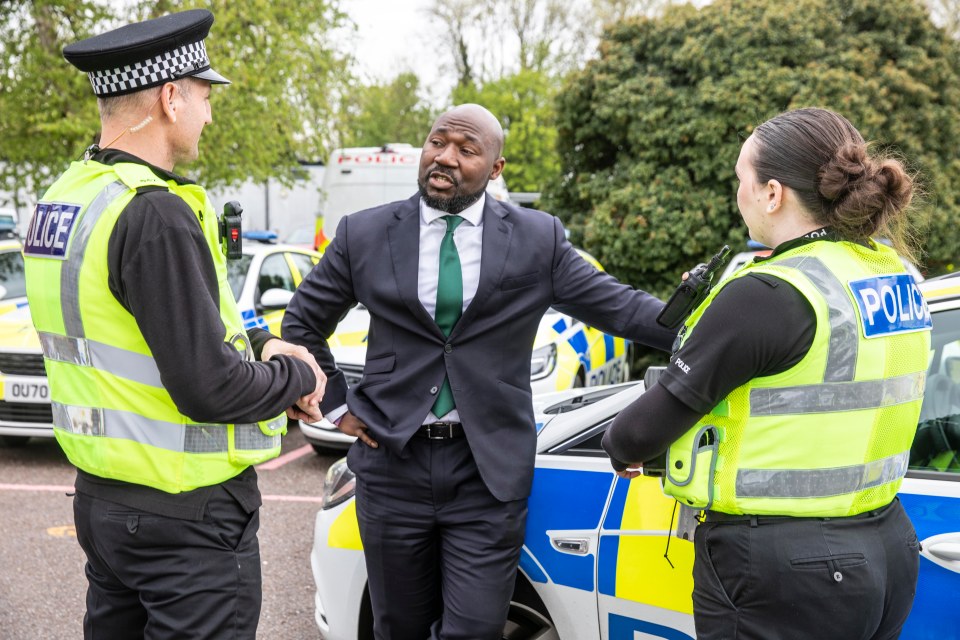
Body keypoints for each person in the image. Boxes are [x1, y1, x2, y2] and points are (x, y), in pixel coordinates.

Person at [282, 103, 677, 640]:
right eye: (437, 142)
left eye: (466, 150)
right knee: (397, 627)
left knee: (473, 631)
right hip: (391, 467)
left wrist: (714, 332)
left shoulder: (539, 239)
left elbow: (620, 308)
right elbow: (302, 323)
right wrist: (339, 407)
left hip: (486, 474)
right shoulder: (365, 233)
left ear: (496, 169)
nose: (444, 158)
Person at [22, 10, 325, 640]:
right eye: (205, 96)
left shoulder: (67, 197)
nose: (209, 114)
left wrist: (263, 342)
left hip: (106, 500)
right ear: (170, 98)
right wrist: (293, 376)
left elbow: (156, 326)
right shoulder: (155, 214)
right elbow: (205, 387)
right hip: (186, 519)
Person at [602, 107, 930, 639]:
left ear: (773, 193)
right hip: (886, 546)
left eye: (741, 181)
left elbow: (632, 436)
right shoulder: (895, 275)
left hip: (783, 568)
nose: (739, 195)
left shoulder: (772, 292)